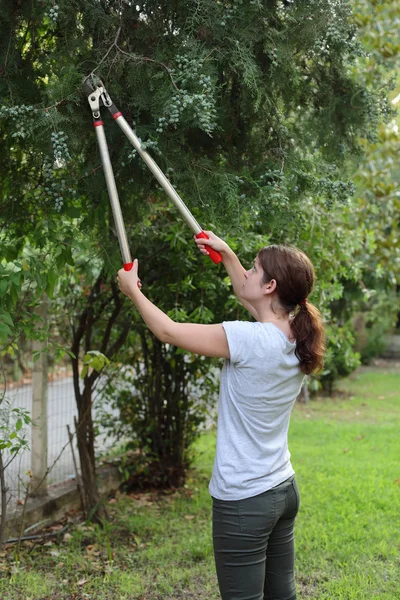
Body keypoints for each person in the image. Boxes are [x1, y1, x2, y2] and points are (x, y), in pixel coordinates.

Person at [117, 231, 326, 600]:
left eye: (254, 269)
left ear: (270, 286)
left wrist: (133, 290)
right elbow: (254, 304)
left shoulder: (248, 339)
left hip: (244, 500)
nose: (246, 272)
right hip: (282, 488)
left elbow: (168, 331)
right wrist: (227, 254)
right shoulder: (295, 336)